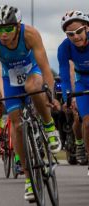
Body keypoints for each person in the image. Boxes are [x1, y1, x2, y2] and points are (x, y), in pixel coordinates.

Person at [0, 5, 61, 201]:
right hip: (11, 79)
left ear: (18, 26)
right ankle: (28, 179)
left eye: (8, 29)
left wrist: (51, 95)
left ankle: (49, 127)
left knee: (33, 88)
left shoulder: (31, 34)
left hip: (33, 71)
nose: (3, 34)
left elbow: (45, 67)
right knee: (16, 124)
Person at [58, 10, 89, 171]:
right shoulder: (64, 48)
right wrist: (67, 98)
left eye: (78, 32)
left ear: (87, 28)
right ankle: (84, 149)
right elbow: (64, 77)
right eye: (70, 34)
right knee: (87, 122)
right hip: (82, 82)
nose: (75, 37)